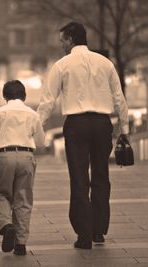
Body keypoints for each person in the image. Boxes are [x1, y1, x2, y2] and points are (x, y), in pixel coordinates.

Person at [37, 22, 129, 249]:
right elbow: (119, 99)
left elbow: (48, 102)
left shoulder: (62, 65)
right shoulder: (106, 63)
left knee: (79, 178)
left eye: (62, 41)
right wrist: (124, 130)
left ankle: (84, 235)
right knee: (101, 175)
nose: (61, 46)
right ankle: (98, 231)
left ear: (70, 39)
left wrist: (35, 131)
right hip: (101, 123)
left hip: (76, 124)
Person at [0, 80, 45, 255]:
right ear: (24, 96)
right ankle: (21, 244)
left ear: (4, 96)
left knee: (3, 194)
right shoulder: (32, 114)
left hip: (4, 156)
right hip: (26, 156)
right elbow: (41, 142)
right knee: (24, 199)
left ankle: (7, 226)